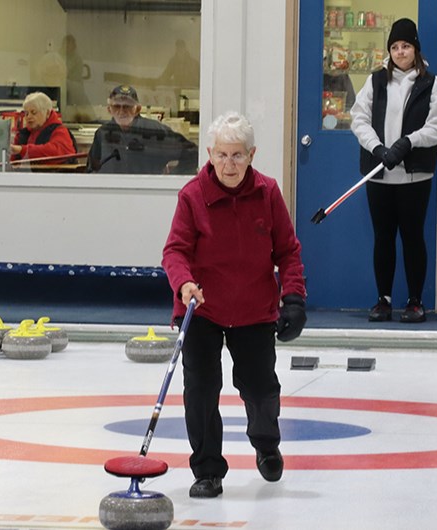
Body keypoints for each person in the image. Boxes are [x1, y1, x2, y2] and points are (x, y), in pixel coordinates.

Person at [162, 111, 307, 498]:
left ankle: (266, 442)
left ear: (252, 154)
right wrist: (184, 283)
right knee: (201, 389)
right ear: (210, 154)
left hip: (253, 308)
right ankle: (208, 469)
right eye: (222, 155)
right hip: (202, 308)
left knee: (260, 387)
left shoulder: (268, 192)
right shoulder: (192, 195)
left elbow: (289, 252)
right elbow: (174, 250)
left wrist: (293, 298)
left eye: (238, 155)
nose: (229, 164)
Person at [350, 18, 437, 323]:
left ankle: (414, 301)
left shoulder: (431, 84)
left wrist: (409, 142)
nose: (400, 52)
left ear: (415, 49)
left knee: (412, 236)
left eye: (406, 46)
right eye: (395, 46)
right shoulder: (375, 81)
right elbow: (359, 119)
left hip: (415, 176)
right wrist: (378, 148)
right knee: (383, 236)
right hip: (379, 174)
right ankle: (383, 300)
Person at [87, 85, 198, 174]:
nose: (121, 111)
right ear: (109, 109)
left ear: (138, 109)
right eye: (117, 106)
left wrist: (171, 180)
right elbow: (92, 169)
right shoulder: (102, 134)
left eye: (127, 106)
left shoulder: (155, 131)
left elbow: (192, 153)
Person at [10, 91, 77, 163]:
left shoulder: (59, 130)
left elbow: (59, 153)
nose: (28, 117)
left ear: (47, 113)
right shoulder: (22, 135)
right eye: (26, 113)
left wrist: (22, 150)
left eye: (33, 112)